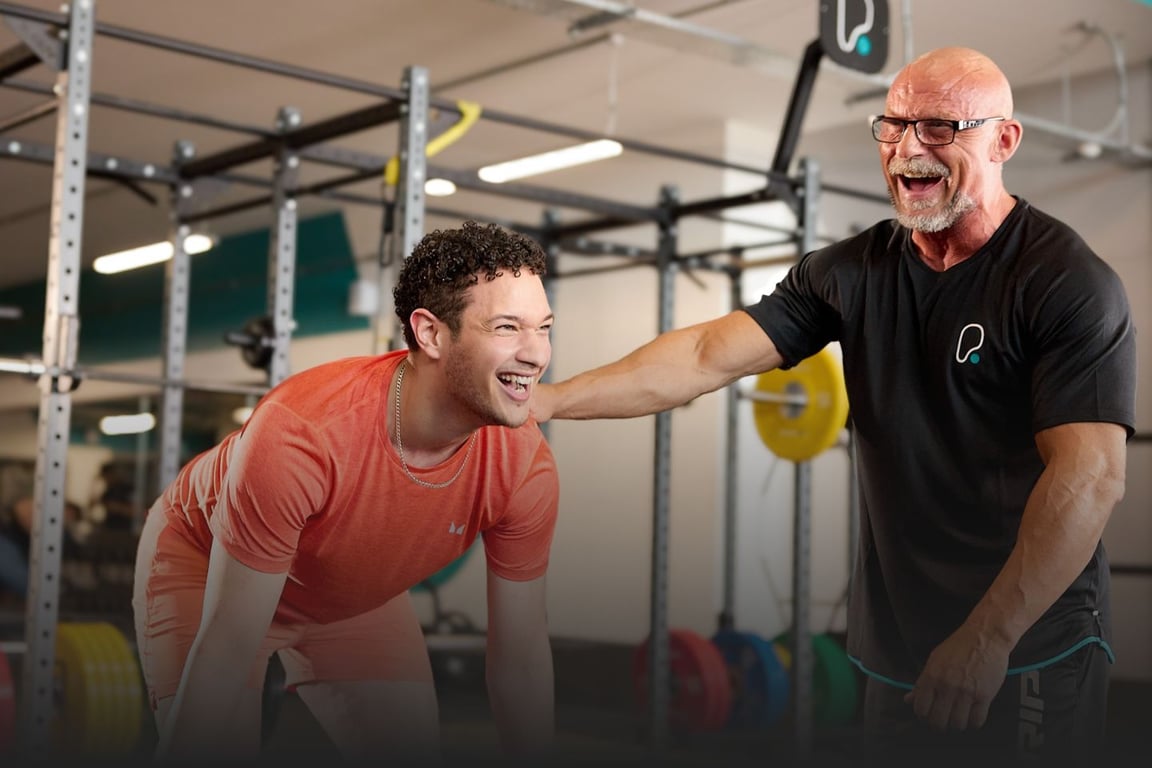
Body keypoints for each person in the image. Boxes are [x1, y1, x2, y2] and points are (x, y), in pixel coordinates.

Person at [532, 47, 1135, 761]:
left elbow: (1090, 477)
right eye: (895, 125)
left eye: (942, 127)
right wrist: (547, 401)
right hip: (901, 641)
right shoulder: (849, 272)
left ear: (1004, 140)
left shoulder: (1063, 282)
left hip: (1030, 638)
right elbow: (700, 357)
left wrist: (989, 637)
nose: (911, 148)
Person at [133, 220, 559, 762]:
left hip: (346, 594)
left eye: (544, 327)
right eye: (507, 328)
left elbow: (520, 657)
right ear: (430, 333)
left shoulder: (524, 467)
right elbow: (227, 647)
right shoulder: (303, 433)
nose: (537, 354)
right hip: (207, 564)